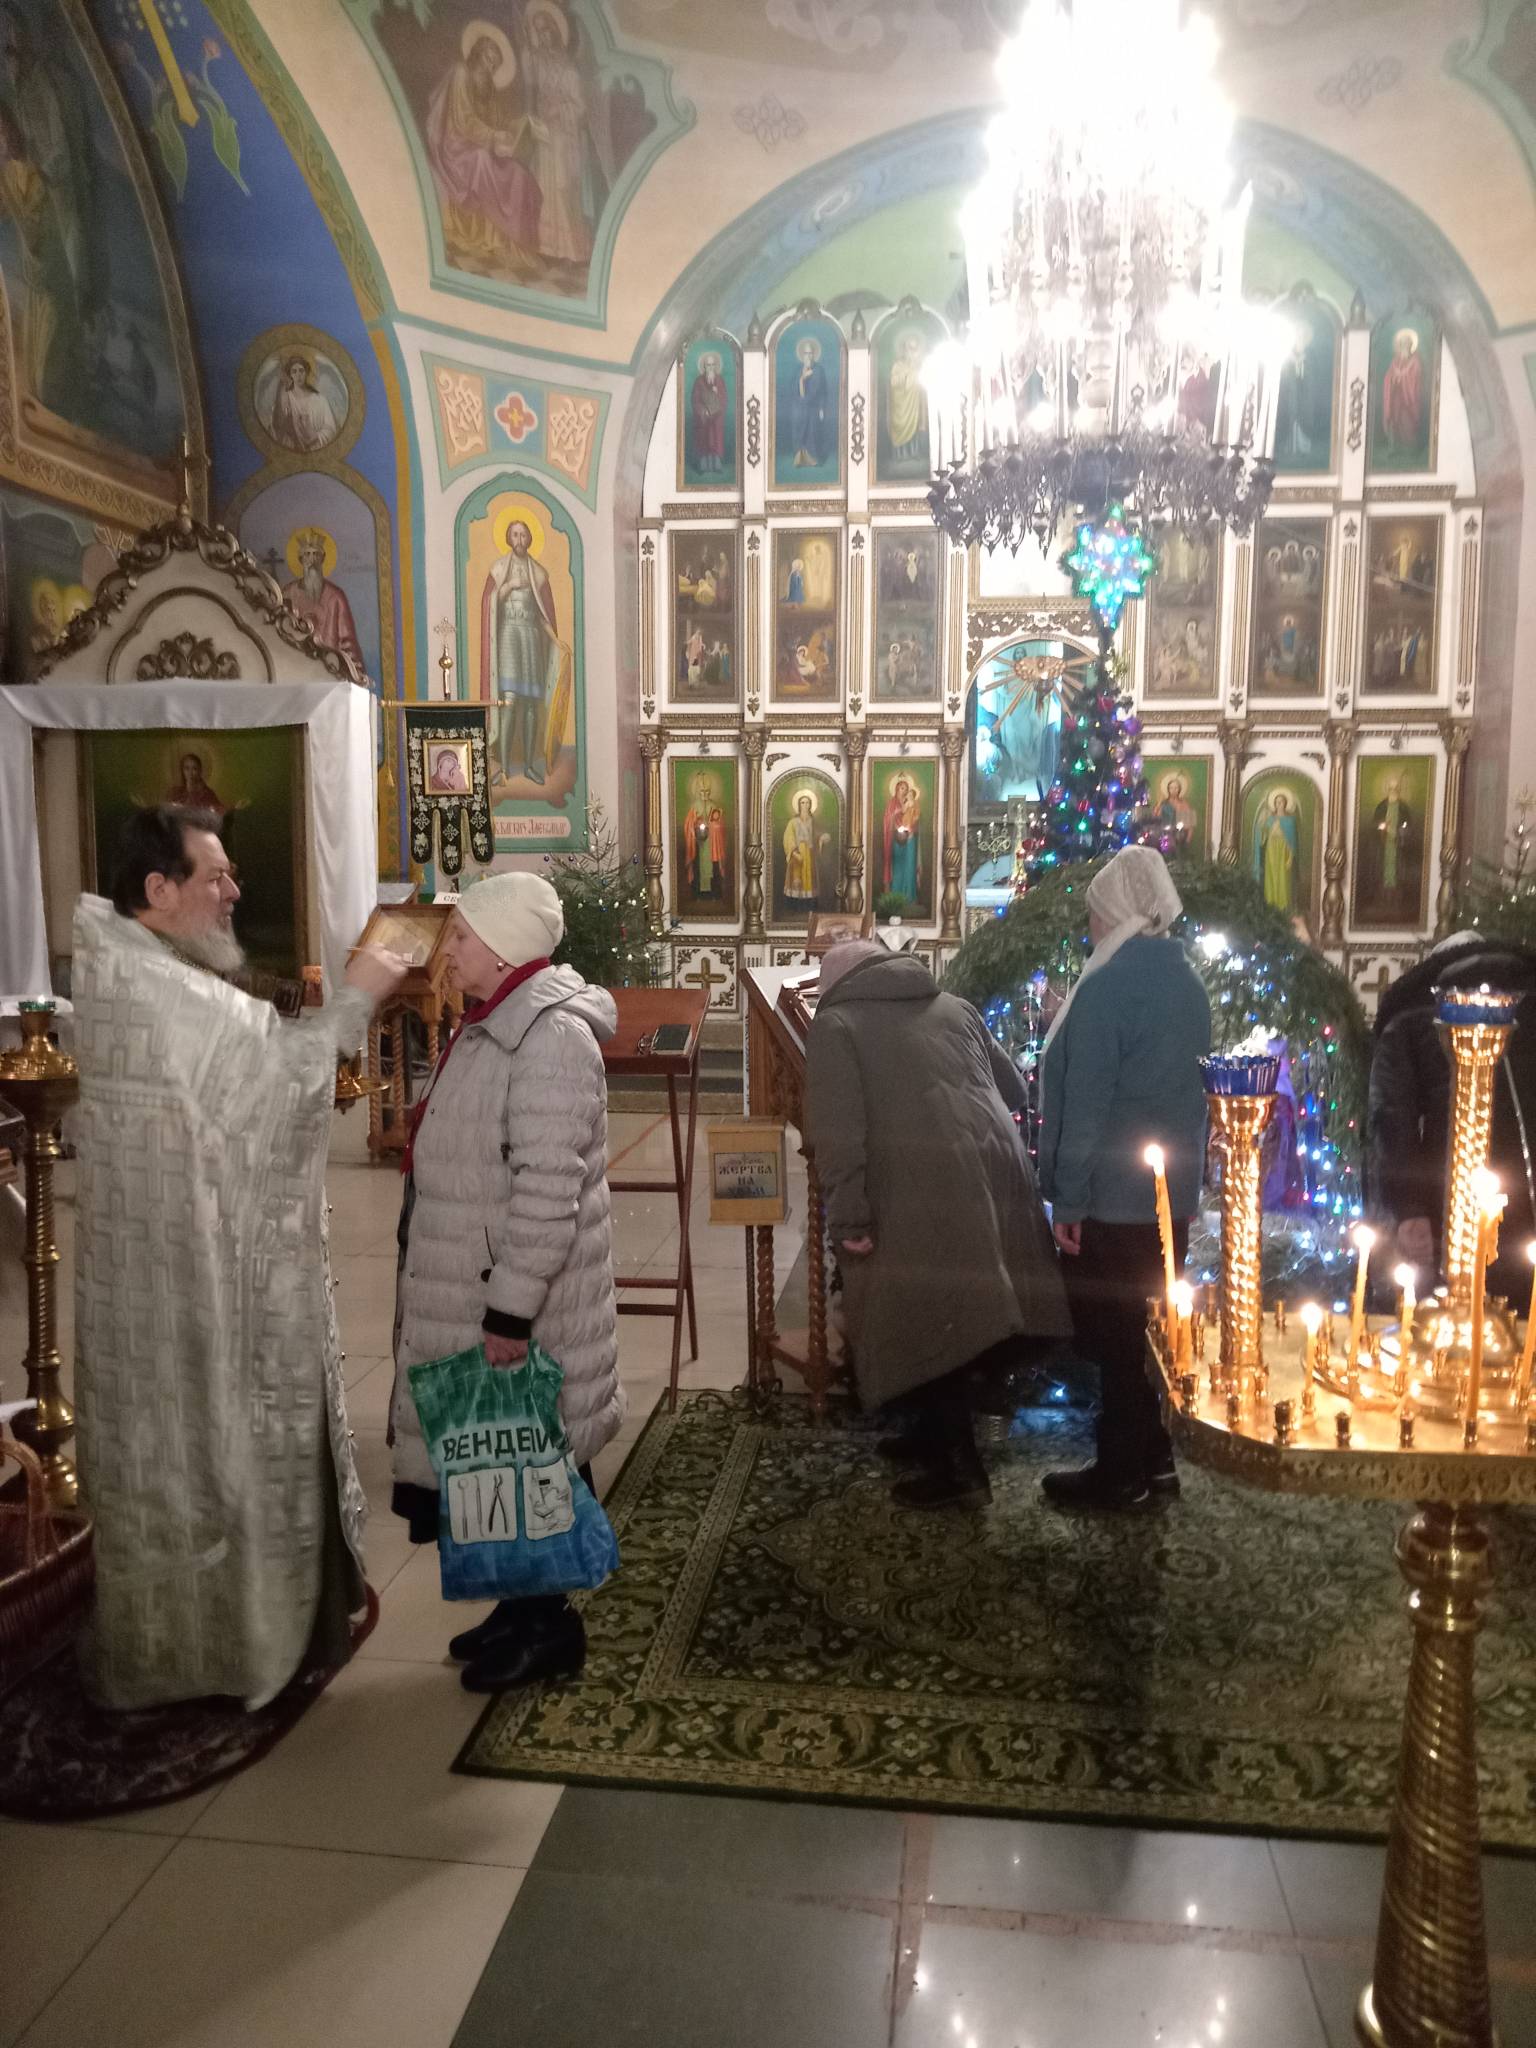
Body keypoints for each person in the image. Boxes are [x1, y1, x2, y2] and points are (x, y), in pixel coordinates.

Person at [71, 807, 410, 1709]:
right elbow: (279, 1085)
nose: (234, 889)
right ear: (159, 889)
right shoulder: (153, 986)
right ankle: (222, 1644)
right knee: (210, 1447)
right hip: (186, 1278)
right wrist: (359, 995)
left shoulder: (132, 965)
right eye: (214, 875)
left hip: (180, 1255)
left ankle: (211, 1633)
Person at [389, 871, 623, 1692]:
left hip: (522, 1301)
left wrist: (511, 1312)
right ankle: (519, 1609)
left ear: (502, 946)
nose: (448, 950)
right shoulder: (496, 1022)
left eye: (461, 935)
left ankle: (550, 1626)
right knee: (496, 1460)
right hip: (475, 1278)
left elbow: (547, 1189)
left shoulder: (551, 1038)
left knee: (535, 1455)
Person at [803, 941, 1070, 1510]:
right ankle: (929, 1434)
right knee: (954, 1308)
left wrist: (848, 1217)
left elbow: (837, 1136)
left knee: (929, 1314)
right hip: (994, 1174)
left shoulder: (836, 1025)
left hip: (919, 1183)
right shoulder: (956, 1006)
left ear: (834, 985)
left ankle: (960, 1471)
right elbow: (1015, 1089)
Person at [1037, 847, 1212, 1512]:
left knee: (1117, 1342)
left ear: (1115, 912)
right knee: (1154, 1334)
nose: (1090, 926)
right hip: (1168, 1198)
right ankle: (1156, 1460)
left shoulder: (1108, 985)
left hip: (1111, 1200)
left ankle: (1120, 1474)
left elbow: (1086, 1106)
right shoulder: (1186, 980)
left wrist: (1068, 1200)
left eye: (1094, 913)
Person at [1367, 932, 1536, 1300]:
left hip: (1446, 1204)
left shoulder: (1410, 1014)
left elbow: (1393, 1117)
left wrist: (1409, 1207)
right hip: (1525, 1205)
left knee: (1451, 1315)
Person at [481, 520, 559, 785]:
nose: (520, 539)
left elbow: (544, 615)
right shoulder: (499, 569)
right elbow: (489, 604)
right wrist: (509, 586)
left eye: (524, 535)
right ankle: (503, 769)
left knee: (530, 704)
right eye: (515, 534)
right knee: (509, 702)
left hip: (530, 638)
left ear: (529, 539)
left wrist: (557, 642)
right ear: (508, 538)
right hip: (508, 637)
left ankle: (528, 766)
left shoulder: (538, 573)